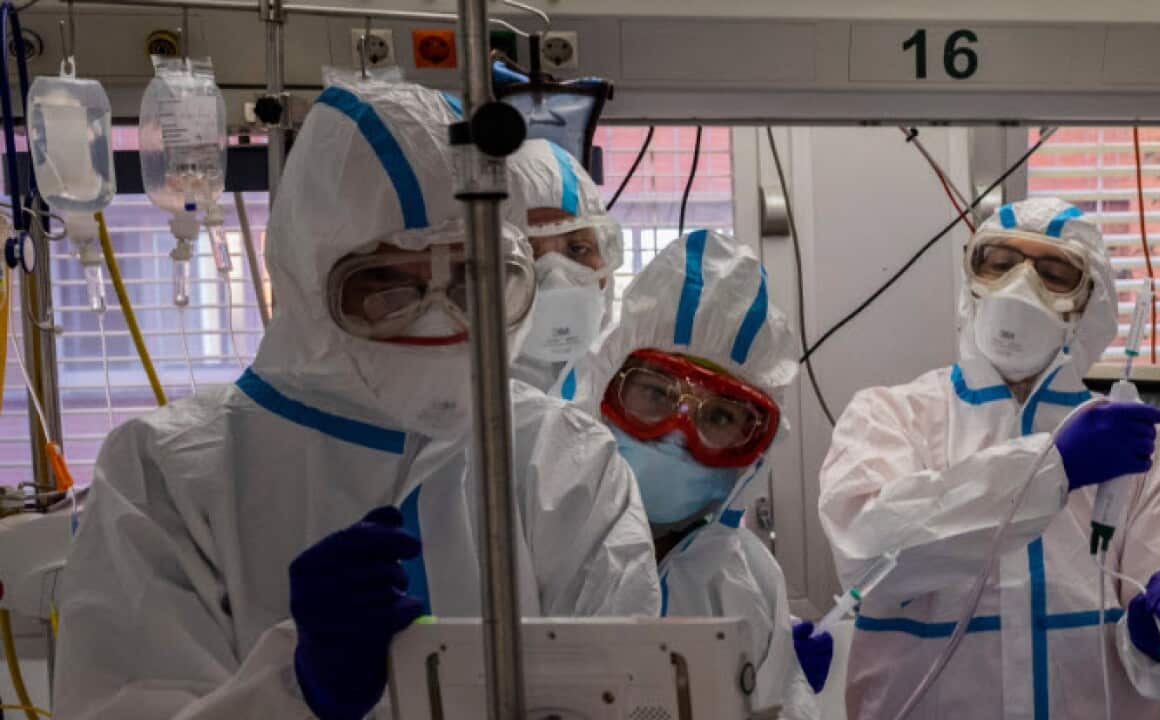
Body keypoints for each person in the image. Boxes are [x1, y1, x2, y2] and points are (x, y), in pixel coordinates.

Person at [52, 80, 659, 720]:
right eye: (387, 285)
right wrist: (296, 690)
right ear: (309, 284)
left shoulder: (563, 458)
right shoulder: (167, 475)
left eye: (468, 278)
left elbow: (630, 690)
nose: (438, 324)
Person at [818, 197, 1160, 719]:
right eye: (998, 263)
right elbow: (868, 556)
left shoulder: (1140, 451)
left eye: (1054, 272)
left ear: (1090, 305)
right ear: (971, 279)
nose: (1020, 286)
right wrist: (1052, 470)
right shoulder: (890, 418)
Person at [556, 229, 823, 718]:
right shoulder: (543, 541)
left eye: (719, 417)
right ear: (604, 388)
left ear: (752, 450)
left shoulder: (749, 577)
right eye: (656, 394)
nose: (678, 435)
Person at [506, 138, 622, 392]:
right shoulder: (464, 403)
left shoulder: (631, 385)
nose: (556, 280)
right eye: (527, 254)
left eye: (579, 248)